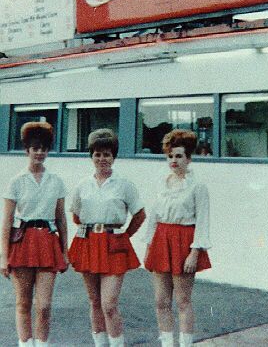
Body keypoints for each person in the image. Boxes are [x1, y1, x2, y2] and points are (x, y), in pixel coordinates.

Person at [68, 128, 146, 347]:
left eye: (107, 154)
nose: (102, 159)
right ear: (91, 156)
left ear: (114, 156)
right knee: (94, 301)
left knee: (109, 304)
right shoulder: (83, 185)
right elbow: (76, 215)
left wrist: (125, 236)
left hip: (114, 244)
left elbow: (140, 214)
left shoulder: (124, 184)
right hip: (89, 242)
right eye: (97, 154)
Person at [0, 122, 68, 347]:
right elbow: (7, 222)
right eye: (35, 148)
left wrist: (64, 252)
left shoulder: (56, 181)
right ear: (27, 149)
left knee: (45, 305)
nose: (40, 152)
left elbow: (61, 219)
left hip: (48, 241)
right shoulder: (16, 181)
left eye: (44, 148)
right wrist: (3, 256)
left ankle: (42, 344)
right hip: (22, 241)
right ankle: (25, 343)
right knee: (23, 303)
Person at [144, 129, 212, 347]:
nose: (174, 160)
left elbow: (202, 221)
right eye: (170, 156)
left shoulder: (198, 186)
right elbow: (154, 217)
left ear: (189, 158)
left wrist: (195, 252)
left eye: (179, 156)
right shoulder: (163, 184)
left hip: (184, 242)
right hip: (161, 241)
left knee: (183, 301)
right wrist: (149, 246)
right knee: (161, 301)